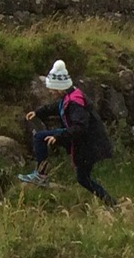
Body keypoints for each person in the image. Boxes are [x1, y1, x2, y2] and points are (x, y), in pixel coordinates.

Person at [20, 59, 116, 205]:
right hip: (79, 137)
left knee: (83, 179)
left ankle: (112, 203)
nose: (50, 92)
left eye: (52, 89)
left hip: (88, 143)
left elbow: (80, 127)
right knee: (40, 138)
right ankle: (41, 174)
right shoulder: (69, 96)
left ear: (60, 89)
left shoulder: (75, 102)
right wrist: (38, 112)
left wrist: (59, 137)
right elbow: (57, 107)